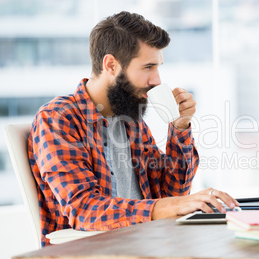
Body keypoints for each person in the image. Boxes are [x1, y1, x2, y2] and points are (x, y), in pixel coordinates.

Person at [28, 11, 239, 247]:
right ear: (111, 65)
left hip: (148, 243)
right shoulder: (58, 118)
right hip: (95, 253)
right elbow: (84, 209)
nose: (157, 80)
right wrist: (172, 206)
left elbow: (172, 191)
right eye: (148, 67)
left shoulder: (130, 118)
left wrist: (180, 128)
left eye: (158, 67)